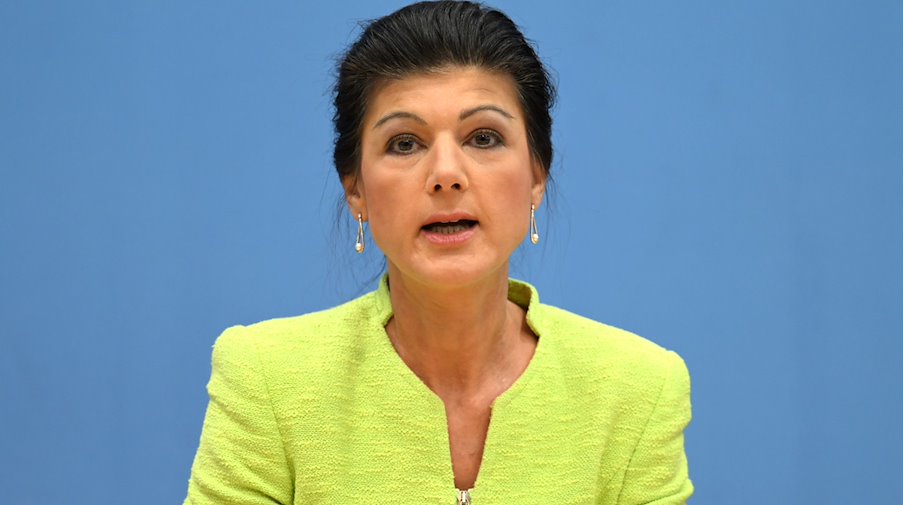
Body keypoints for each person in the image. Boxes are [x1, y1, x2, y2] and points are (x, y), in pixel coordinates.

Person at [183, 1, 693, 504]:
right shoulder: (267, 380)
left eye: (484, 137)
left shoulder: (639, 391)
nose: (446, 173)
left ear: (537, 176)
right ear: (356, 188)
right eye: (405, 143)